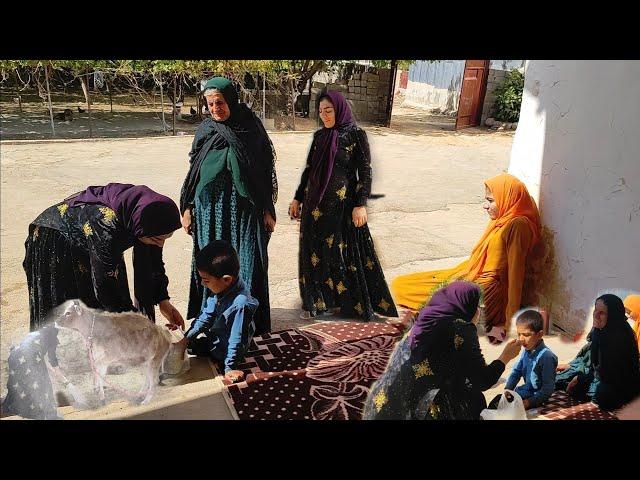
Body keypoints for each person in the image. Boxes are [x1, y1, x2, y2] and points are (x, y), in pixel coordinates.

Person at [391, 173, 541, 344]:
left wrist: (510, 321)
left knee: (441, 308)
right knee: (401, 285)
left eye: (491, 201)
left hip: (487, 287)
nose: (485, 206)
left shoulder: (518, 226)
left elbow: (516, 273)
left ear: (508, 198)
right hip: (471, 272)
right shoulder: (502, 218)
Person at [180, 77, 277, 335]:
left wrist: (267, 208)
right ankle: (211, 315)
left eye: (219, 102)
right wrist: (187, 208)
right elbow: (195, 172)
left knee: (246, 262)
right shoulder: (206, 131)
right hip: (209, 211)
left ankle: (245, 319)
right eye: (210, 104)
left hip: (243, 210)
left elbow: (263, 171)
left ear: (230, 100)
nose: (215, 109)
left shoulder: (250, 128)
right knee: (211, 263)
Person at [289, 91, 397, 321]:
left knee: (338, 253)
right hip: (313, 207)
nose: (324, 116)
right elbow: (309, 171)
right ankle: (318, 300)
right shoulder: (319, 136)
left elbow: (365, 172)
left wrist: (361, 204)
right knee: (313, 253)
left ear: (340, 109)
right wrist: (298, 198)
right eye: (321, 112)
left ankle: (345, 302)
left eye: (329, 111)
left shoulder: (356, 135)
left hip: (341, 207)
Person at [24, 183, 184, 332]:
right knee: (75, 306)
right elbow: (104, 286)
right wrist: (140, 323)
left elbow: (153, 263)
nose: (161, 243)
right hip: (56, 238)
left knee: (113, 303)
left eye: (166, 237)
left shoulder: (145, 219)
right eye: (157, 239)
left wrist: (164, 302)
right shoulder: (106, 225)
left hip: (92, 243)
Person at [362, 281, 521, 420]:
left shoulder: (427, 320)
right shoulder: (463, 330)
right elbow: (482, 381)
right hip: (432, 408)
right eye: (477, 306)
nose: (479, 310)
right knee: (485, 400)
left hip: (392, 403)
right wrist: (505, 357)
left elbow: (446, 354)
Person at [175, 240, 258, 384]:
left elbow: (236, 338)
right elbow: (206, 316)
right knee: (180, 344)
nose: (202, 284)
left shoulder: (240, 304)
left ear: (226, 279)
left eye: (206, 281)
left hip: (227, 348)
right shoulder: (224, 287)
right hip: (216, 337)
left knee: (203, 352)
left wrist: (229, 368)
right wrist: (186, 339)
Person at [555, 294, 640, 411]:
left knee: (603, 395)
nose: (596, 315)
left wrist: (581, 379)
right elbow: (591, 357)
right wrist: (576, 368)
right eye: (596, 310)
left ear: (613, 316)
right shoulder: (600, 330)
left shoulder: (621, 338)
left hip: (616, 381)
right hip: (597, 373)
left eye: (602, 313)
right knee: (560, 379)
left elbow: (610, 374)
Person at [490, 309, 557, 410]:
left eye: (526, 335)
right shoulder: (527, 350)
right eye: (519, 334)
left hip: (535, 398)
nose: (521, 339)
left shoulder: (547, 357)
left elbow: (548, 389)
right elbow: (516, 372)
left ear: (539, 334)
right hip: (523, 393)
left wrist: (528, 403)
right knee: (496, 402)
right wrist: (508, 389)